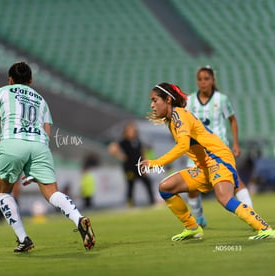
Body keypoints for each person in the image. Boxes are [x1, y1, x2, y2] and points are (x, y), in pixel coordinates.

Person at [0, 62, 95, 252]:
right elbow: (47, 132)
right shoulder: (41, 100)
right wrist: (32, 167)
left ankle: (24, 239)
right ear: (31, 80)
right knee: (52, 192)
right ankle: (78, 218)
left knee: (2, 192)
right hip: (39, 145)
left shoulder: (3, 92)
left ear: (10, 79)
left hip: (12, 141)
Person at [139, 82, 275, 240]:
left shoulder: (179, 115)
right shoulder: (171, 121)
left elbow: (183, 146)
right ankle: (192, 228)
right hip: (204, 166)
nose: (152, 105)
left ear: (168, 99)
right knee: (166, 188)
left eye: (155, 100)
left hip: (218, 159)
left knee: (224, 197)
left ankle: (265, 229)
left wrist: (156, 163)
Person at [185, 66, 253, 228]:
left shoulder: (221, 99)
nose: (203, 82)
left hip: (218, 149)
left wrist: (235, 143)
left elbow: (233, 120)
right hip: (197, 150)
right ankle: (199, 217)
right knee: (191, 188)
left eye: (206, 79)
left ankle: (251, 216)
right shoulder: (190, 101)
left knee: (236, 183)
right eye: (200, 79)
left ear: (213, 81)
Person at [108, 122, 155, 207]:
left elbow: (142, 152)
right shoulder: (123, 141)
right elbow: (112, 149)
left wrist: (145, 164)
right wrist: (120, 156)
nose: (132, 131)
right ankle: (130, 204)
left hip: (139, 167)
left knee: (148, 182)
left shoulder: (137, 140)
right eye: (130, 129)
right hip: (129, 167)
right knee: (130, 185)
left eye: (133, 129)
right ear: (126, 131)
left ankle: (152, 201)